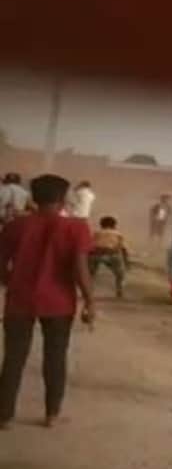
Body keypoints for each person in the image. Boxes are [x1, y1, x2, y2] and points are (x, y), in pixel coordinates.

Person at [0, 174, 95, 430]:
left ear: (33, 197)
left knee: (13, 357)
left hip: (19, 301)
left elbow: (1, 264)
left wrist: (12, 282)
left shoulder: (15, 226)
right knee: (55, 357)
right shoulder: (76, 228)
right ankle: (51, 414)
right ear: (63, 198)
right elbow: (80, 269)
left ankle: (4, 415)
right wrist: (90, 301)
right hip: (59, 303)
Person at [90, 216, 129, 298]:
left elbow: (90, 245)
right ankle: (119, 290)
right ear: (114, 225)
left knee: (90, 274)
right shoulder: (118, 234)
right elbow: (123, 248)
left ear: (101, 225)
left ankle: (89, 289)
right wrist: (126, 261)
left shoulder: (96, 233)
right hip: (113, 254)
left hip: (97, 254)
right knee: (120, 274)